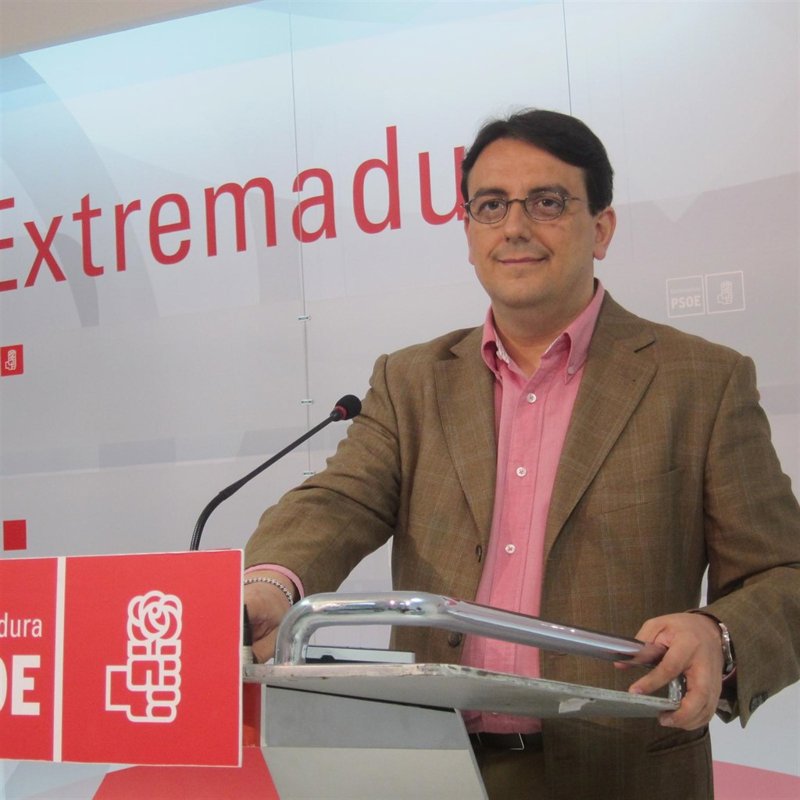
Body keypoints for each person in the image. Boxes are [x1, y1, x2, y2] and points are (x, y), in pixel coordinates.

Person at [243, 109, 800, 799]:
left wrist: (719, 633)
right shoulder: (412, 380)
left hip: (620, 768)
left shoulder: (701, 381)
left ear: (602, 228)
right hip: (431, 765)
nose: (514, 226)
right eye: (491, 205)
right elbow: (338, 500)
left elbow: (784, 576)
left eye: (547, 202)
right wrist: (271, 585)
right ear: (469, 233)